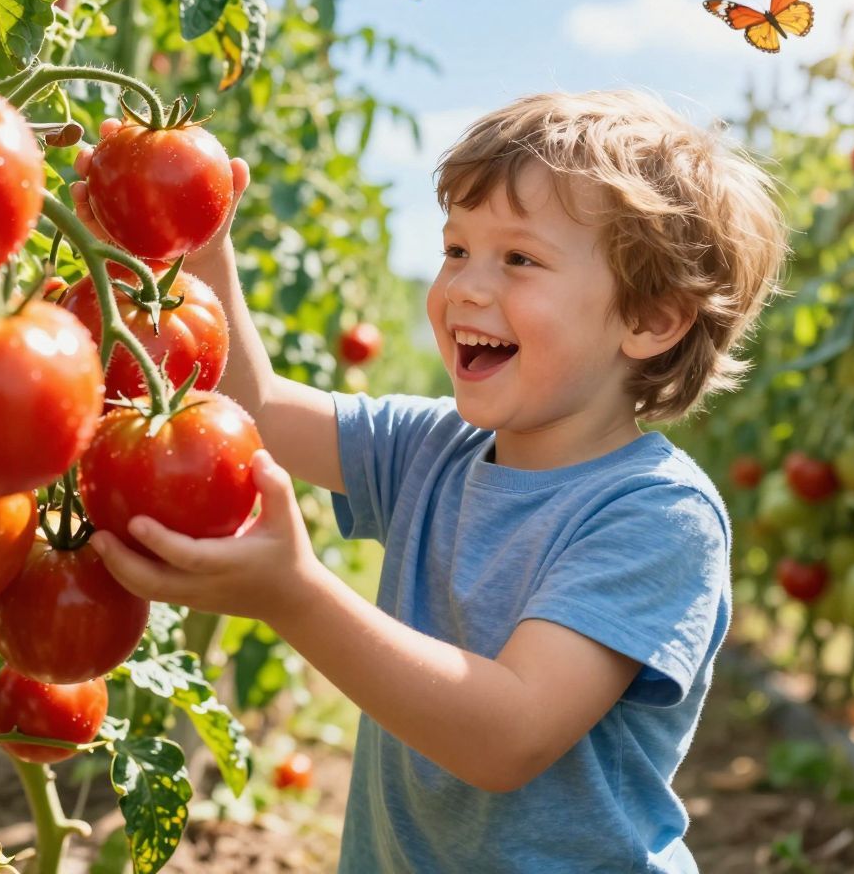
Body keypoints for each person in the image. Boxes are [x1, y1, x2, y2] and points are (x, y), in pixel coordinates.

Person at [74, 89, 789, 873]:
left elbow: (507, 736)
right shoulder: (435, 446)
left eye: (519, 259)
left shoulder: (657, 517)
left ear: (651, 320)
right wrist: (199, 251)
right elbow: (260, 410)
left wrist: (294, 594)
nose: (464, 289)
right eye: (456, 250)